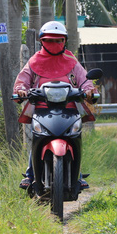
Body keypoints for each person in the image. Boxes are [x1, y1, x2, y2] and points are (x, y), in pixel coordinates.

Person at [13, 21, 98, 190]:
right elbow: (23, 80)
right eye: (50, 40)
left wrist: (89, 90)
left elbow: (85, 80)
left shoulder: (71, 61)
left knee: (75, 138)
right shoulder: (34, 61)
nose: (54, 44)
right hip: (42, 109)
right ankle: (31, 174)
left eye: (58, 40)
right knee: (39, 137)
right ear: (42, 41)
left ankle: (77, 175)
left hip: (69, 109)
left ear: (64, 41)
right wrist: (21, 90)